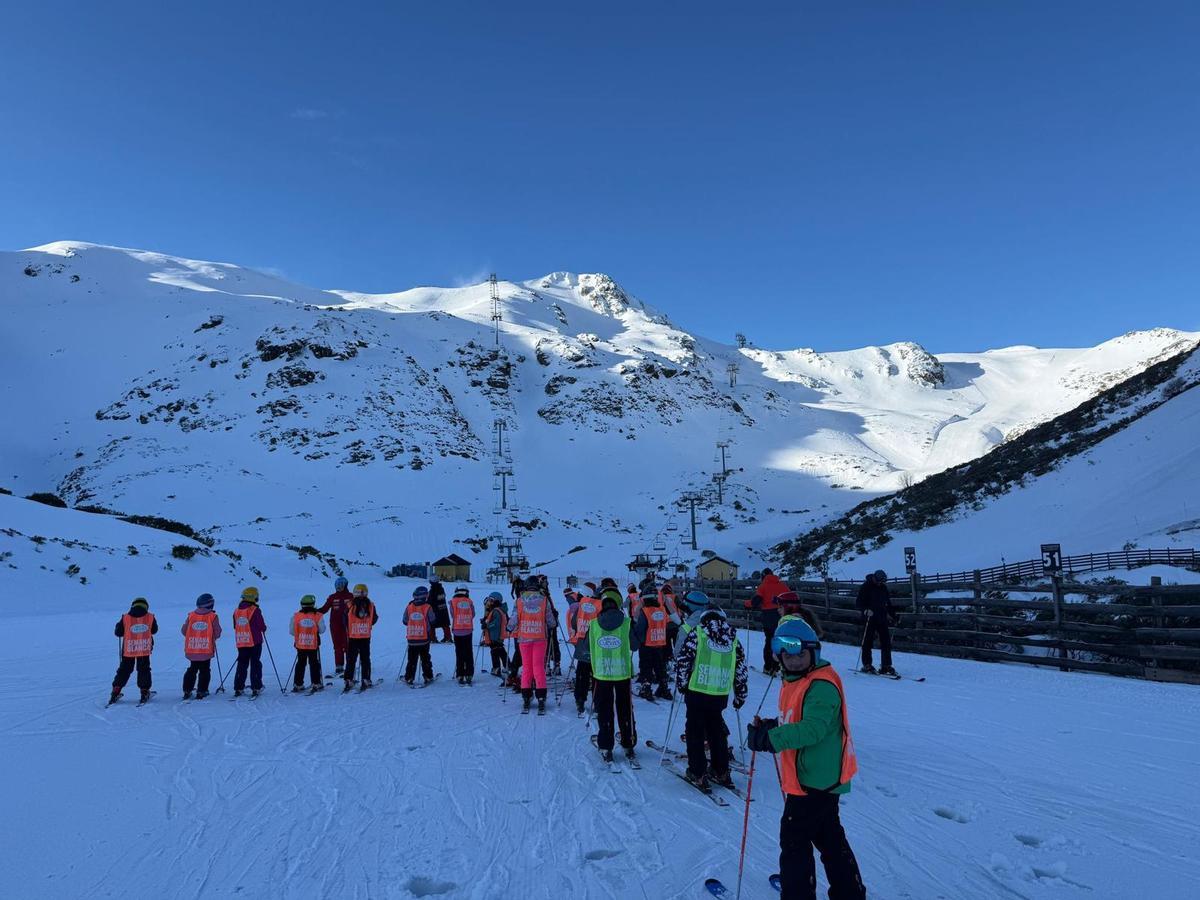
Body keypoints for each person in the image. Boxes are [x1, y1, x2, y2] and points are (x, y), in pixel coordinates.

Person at [746, 618, 866, 900]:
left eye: (801, 654)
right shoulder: (798, 680)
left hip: (813, 780)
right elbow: (799, 717)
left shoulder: (821, 685)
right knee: (829, 838)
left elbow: (813, 729)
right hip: (820, 778)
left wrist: (772, 738)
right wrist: (773, 725)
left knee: (794, 841)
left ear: (814, 653)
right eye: (788, 655)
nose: (795, 660)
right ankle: (850, 892)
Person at [675, 603, 748, 791]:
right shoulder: (733, 638)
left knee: (695, 731)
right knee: (716, 731)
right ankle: (721, 770)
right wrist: (740, 694)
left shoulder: (698, 633)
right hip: (719, 693)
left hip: (697, 690)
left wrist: (682, 685)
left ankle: (697, 772)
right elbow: (740, 668)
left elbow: (684, 660)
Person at [589, 588, 640, 763]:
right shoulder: (626, 623)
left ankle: (605, 745)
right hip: (623, 673)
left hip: (602, 674)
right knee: (625, 709)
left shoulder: (594, 624)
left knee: (604, 711)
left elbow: (590, 648)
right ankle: (628, 742)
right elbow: (634, 646)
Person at [507, 586, 556, 714]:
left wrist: (509, 628)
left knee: (527, 668)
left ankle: (526, 696)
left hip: (524, 637)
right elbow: (550, 619)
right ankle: (541, 696)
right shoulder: (544, 600)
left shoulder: (519, 600)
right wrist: (552, 624)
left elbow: (514, 617)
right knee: (538, 667)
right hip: (540, 637)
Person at [110, 596, 158, 704]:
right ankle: (144, 691)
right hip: (143, 649)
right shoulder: (150, 617)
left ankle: (116, 690)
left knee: (124, 670)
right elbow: (154, 630)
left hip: (129, 649)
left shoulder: (126, 617)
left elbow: (118, 633)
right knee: (143, 670)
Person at [566, 585, 601, 714]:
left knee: (582, 675)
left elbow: (574, 622)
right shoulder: (599, 604)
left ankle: (580, 700)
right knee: (597, 675)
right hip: (596, 643)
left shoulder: (580, 605)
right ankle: (598, 702)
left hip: (582, 644)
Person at [633, 588, 673, 701]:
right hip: (660, 644)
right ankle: (664, 688)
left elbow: (640, 628)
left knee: (646, 667)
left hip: (647, 645)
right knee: (660, 667)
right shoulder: (662, 609)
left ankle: (646, 688)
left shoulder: (645, 611)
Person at [856, 569, 898, 676]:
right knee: (867, 641)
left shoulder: (883, 588)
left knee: (886, 642)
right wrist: (865, 610)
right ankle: (867, 664)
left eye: (883, 581)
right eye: (880, 581)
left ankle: (886, 665)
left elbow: (888, 604)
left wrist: (894, 616)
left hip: (881, 617)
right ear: (875, 578)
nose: (881, 583)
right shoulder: (866, 586)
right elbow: (859, 602)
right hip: (869, 618)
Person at [748, 568, 789, 675]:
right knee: (780, 641)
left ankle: (768, 667)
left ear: (763, 576)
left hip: (768, 616)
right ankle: (777, 667)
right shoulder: (783, 585)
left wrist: (747, 604)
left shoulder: (763, 586)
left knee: (769, 642)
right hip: (782, 615)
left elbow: (756, 601)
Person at [181, 592, 221, 699]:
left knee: (192, 669)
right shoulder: (213, 616)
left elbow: (184, 631)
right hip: (206, 649)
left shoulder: (191, 615)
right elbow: (217, 632)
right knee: (205, 670)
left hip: (192, 649)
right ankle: (202, 691)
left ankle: (187, 690)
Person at [232, 586, 267, 697]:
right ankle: (256, 687)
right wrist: (264, 628)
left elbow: (235, 625)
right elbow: (261, 625)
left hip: (241, 641)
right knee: (255, 663)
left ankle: (238, 687)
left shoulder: (237, 611)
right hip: (255, 642)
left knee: (242, 664)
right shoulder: (254, 610)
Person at [345, 584, 379, 690]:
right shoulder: (371, 605)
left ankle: (349, 679)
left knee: (351, 659)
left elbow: (344, 619)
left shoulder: (349, 604)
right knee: (365, 659)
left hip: (353, 636)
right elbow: (374, 619)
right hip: (365, 636)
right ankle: (366, 679)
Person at [289, 594, 326, 692]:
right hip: (313, 644)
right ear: (313, 604)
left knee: (301, 663)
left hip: (300, 644)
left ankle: (298, 684)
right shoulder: (317, 616)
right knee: (314, 663)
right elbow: (322, 630)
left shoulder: (296, 616)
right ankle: (316, 683)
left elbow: (292, 631)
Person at [318, 576, 353, 676]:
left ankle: (350, 666)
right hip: (335, 624)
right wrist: (314, 611)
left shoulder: (351, 596)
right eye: (337, 585)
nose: (338, 587)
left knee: (348, 645)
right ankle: (339, 666)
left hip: (347, 624)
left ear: (345, 585)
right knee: (337, 645)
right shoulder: (332, 597)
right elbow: (324, 609)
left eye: (341, 585)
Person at [403, 585, 435, 685]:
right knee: (425, 658)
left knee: (411, 660)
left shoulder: (409, 607)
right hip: (424, 638)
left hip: (412, 639)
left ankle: (409, 677)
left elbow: (404, 620)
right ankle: (428, 676)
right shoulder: (427, 607)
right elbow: (433, 620)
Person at [450, 585, 476, 685]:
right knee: (468, 652)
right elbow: (473, 614)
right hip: (468, 630)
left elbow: (452, 615)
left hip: (457, 630)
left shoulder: (453, 601)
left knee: (459, 653)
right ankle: (469, 674)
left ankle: (460, 674)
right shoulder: (469, 601)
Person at [481, 593, 510, 676]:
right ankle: (506, 666)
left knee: (496, 651)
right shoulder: (497, 609)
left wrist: (487, 625)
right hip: (496, 634)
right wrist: (485, 621)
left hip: (496, 635)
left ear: (496, 601)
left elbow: (496, 623)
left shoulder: (497, 611)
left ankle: (497, 668)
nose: (489, 602)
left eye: (491, 600)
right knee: (499, 651)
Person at [428, 575, 450, 643]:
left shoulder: (432, 590)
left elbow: (430, 600)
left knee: (432, 624)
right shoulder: (441, 588)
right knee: (445, 623)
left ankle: (432, 638)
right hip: (443, 608)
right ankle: (448, 637)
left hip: (435, 609)